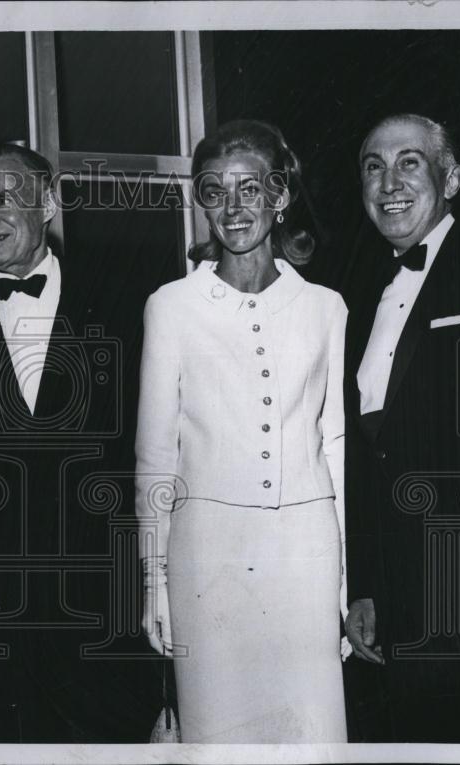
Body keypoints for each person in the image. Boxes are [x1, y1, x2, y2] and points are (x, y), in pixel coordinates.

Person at [0, 143, 161, 743]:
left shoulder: (126, 303)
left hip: (102, 607)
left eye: (4, 198)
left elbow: (153, 451)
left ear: (47, 204)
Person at [134, 120, 348, 743]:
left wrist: (346, 583)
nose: (232, 208)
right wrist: (154, 583)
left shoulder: (326, 308)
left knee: (310, 736)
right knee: (219, 737)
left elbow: (336, 449)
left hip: (306, 556)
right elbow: (155, 457)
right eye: (214, 191)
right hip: (206, 559)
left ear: (280, 195)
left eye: (249, 188)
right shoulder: (171, 306)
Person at [343, 113, 460, 742]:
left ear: (452, 178)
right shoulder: (359, 290)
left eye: (409, 162)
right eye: (374, 166)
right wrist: (366, 586)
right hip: (399, 600)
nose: (388, 182)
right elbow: (368, 453)